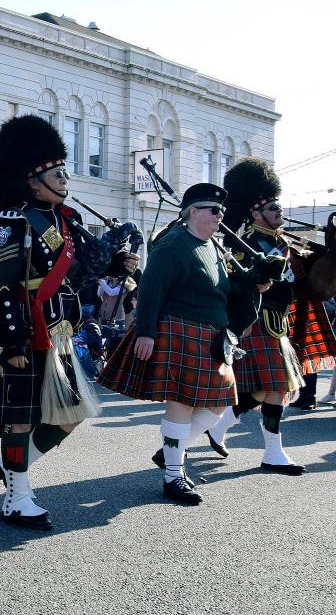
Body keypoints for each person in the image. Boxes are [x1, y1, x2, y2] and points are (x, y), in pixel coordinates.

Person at [0, 115, 133, 530]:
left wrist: (115, 255)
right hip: (23, 329)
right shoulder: (12, 222)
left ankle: (13, 468)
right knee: (19, 419)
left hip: (59, 332)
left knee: (70, 414)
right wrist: (12, 342)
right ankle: (17, 496)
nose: (64, 178)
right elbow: (2, 288)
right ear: (33, 180)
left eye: (64, 171)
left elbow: (77, 273)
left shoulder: (65, 220)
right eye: (56, 172)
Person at [99, 182, 257, 505]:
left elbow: (222, 292)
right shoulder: (173, 245)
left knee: (218, 403)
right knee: (182, 403)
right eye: (214, 211)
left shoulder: (214, 247)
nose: (220, 216)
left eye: (222, 211)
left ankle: (173, 451)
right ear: (192, 213)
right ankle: (173, 474)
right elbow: (150, 288)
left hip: (211, 336)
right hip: (179, 330)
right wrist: (145, 331)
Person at [206, 159, 322, 474]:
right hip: (258, 321)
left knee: (260, 390)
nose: (279, 212)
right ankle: (273, 453)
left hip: (278, 323)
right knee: (278, 388)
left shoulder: (280, 242)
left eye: (278, 207)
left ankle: (217, 429)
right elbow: (244, 282)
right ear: (256, 213)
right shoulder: (246, 244)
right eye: (272, 208)